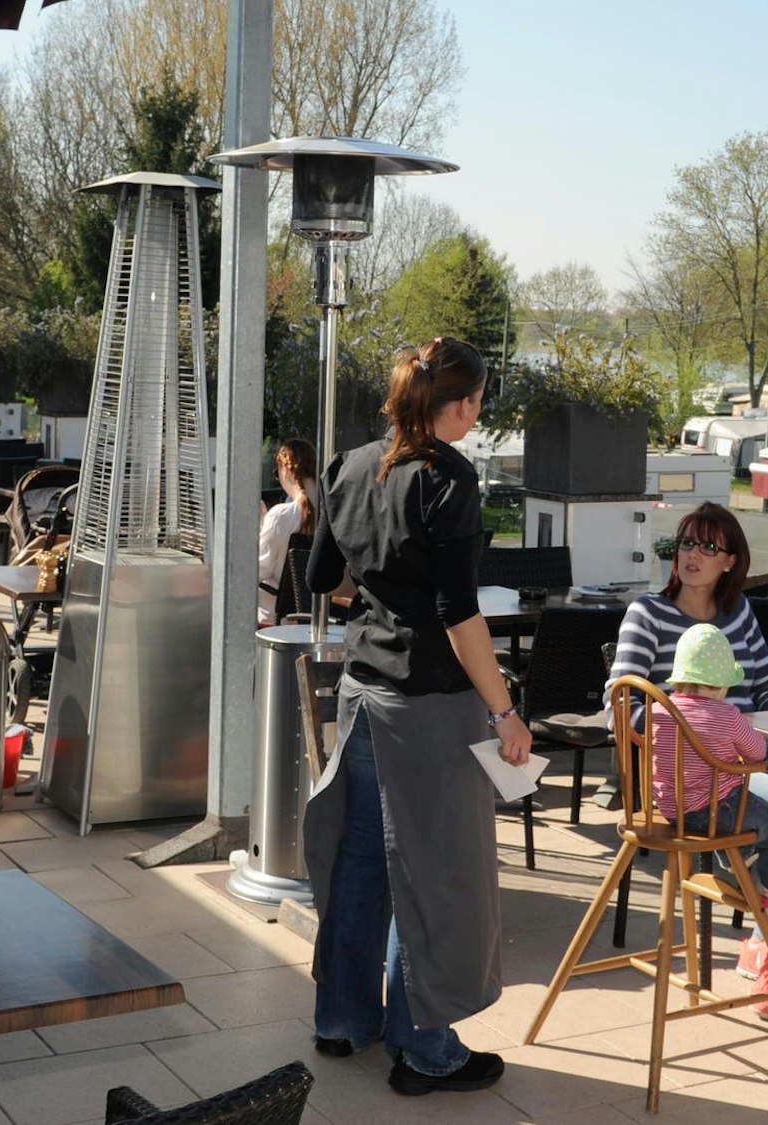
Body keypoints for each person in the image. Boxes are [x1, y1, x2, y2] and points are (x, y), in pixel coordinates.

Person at [302, 337, 525, 1097]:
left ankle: (342, 1018)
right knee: (435, 874)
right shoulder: (449, 479)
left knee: (362, 860)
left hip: (362, 694)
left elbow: (321, 578)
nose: (479, 414)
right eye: (477, 401)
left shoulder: (352, 464)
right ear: (455, 404)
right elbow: (460, 614)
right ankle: (425, 1045)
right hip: (429, 706)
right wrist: (506, 712)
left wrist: (375, 594)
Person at [607, 501, 768, 1012]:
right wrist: (691, 734)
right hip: (698, 777)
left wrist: (754, 727)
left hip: (753, 753)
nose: (692, 555)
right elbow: (620, 701)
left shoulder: (738, 613)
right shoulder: (649, 613)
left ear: (730, 561)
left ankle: (766, 934)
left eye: (708, 546)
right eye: (685, 543)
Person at [649, 623, 768, 942]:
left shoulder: (658, 710)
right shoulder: (727, 716)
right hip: (714, 808)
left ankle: (739, 850)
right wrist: (757, 758)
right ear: (723, 684)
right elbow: (756, 751)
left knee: (741, 809)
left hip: (670, 809)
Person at [256, 438, 318, 626]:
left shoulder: (281, 515)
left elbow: (259, 570)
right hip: (312, 617)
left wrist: (262, 525)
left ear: (286, 469)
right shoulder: (328, 512)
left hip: (273, 619)